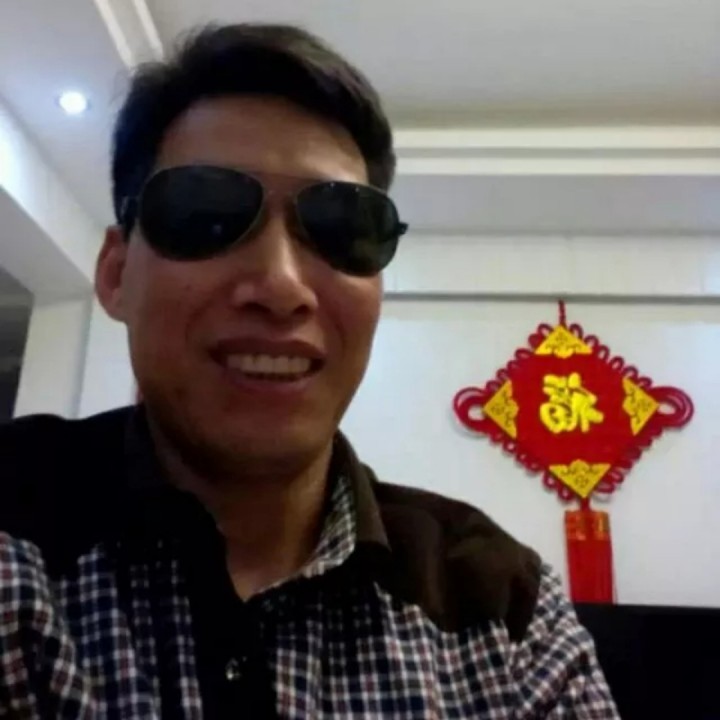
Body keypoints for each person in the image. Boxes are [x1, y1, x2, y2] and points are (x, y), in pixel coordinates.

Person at [0, 23, 618, 719]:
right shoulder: (18, 547)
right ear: (116, 274)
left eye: (342, 227)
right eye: (205, 215)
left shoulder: (506, 612)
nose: (281, 285)